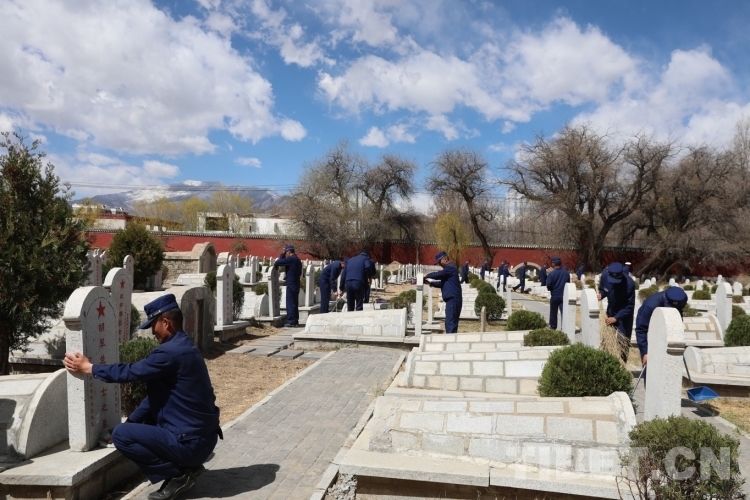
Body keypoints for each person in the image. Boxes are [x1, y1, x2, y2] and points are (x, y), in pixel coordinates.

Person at [63, 294, 221, 500]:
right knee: (130, 428)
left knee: (122, 436)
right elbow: (154, 398)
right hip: (204, 439)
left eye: (153, 325)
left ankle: (178, 474)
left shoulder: (169, 353)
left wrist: (90, 368)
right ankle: (188, 466)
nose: (153, 332)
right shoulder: (186, 346)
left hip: (192, 444)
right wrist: (131, 423)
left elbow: (131, 372)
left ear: (166, 322)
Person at [635, 287, 688, 366]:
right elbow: (641, 330)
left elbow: (679, 312)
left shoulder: (682, 298)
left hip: (668, 322)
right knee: (651, 360)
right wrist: (645, 353)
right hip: (648, 321)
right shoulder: (650, 306)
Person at [603, 262, 636, 362]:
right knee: (607, 340)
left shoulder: (629, 284)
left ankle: (622, 365)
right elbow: (604, 289)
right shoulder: (605, 277)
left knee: (622, 343)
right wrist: (601, 294)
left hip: (624, 315)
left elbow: (629, 306)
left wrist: (616, 317)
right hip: (611, 311)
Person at [425, 251, 462, 333]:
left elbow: (438, 274)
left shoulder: (450, 268)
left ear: (445, 259)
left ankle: (450, 340)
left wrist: (427, 275)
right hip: (452, 299)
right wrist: (430, 283)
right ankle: (451, 339)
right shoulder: (448, 270)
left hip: (453, 299)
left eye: (439, 261)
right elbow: (442, 284)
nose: (439, 264)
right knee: (450, 322)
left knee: (450, 323)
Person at [274, 245, 302, 327]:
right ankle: (295, 320)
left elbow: (278, 262)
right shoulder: (298, 260)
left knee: (290, 302)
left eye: (286, 253)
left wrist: (282, 254)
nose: (286, 254)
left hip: (291, 283)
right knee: (295, 302)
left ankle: (291, 321)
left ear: (289, 252)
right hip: (296, 282)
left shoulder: (291, 259)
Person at [546, 257, 568, 330]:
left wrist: (551, 289)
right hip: (563, 295)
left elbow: (548, 284)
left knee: (553, 312)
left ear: (553, 264)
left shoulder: (551, 274)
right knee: (564, 312)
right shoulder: (566, 273)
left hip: (554, 295)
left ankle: (553, 326)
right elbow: (568, 284)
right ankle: (564, 327)